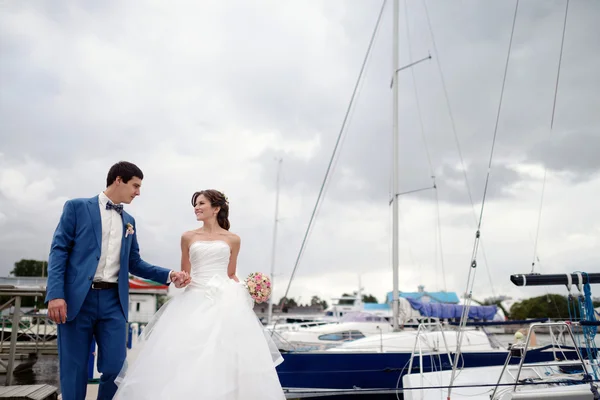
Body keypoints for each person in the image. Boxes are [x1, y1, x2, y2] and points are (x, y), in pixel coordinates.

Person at [114, 189, 285, 399]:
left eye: (201, 203)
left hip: (226, 301)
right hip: (193, 299)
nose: (196, 207)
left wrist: (252, 289)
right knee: (186, 357)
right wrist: (180, 280)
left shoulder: (233, 239)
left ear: (216, 208)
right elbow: (185, 274)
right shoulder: (188, 237)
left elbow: (231, 274)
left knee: (226, 357)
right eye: (195, 204)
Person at [45, 161, 191, 400]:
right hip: (75, 300)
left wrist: (169, 275)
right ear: (118, 180)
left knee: (115, 368)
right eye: (135, 185)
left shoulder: (130, 221)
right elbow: (59, 250)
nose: (138, 192)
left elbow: (135, 263)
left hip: (114, 302)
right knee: (74, 369)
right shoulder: (76, 207)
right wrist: (55, 294)